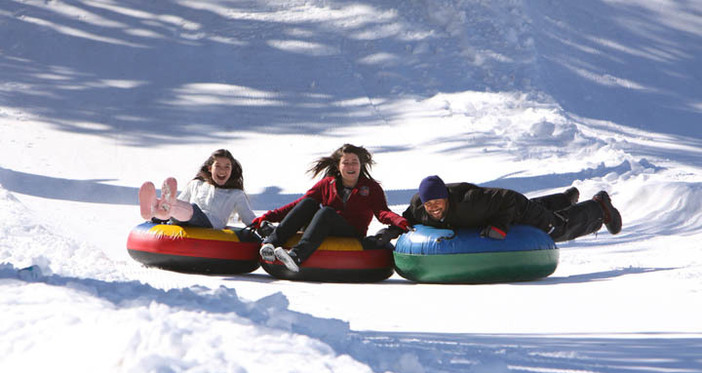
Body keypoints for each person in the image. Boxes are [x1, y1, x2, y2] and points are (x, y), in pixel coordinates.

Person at [251, 144, 409, 272]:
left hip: (351, 233)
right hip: (324, 228)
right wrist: (267, 217)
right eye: (345, 162)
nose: (350, 166)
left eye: (354, 162)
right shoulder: (328, 183)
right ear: (338, 166)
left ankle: (297, 256)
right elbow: (298, 205)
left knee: (326, 212)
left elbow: (382, 212)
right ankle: (270, 244)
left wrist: (399, 221)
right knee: (308, 203)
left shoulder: (370, 188)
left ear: (361, 164)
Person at [398, 175, 622, 242]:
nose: (434, 208)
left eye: (438, 203)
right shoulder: (419, 207)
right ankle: (562, 200)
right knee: (540, 215)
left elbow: (507, 202)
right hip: (495, 208)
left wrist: (499, 226)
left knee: (555, 229)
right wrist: (390, 231)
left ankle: (599, 208)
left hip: (513, 204)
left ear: (447, 198)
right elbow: (406, 219)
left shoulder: (469, 201)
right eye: (430, 204)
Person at [138, 148, 256, 229]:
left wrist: (263, 225)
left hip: (210, 225)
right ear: (210, 168)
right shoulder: (197, 184)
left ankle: (160, 209)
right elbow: (179, 201)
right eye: (218, 166)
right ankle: (154, 207)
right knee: (177, 208)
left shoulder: (236, 194)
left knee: (191, 209)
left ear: (231, 170)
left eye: (227, 167)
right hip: (184, 220)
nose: (222, 171)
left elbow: (249, 218)